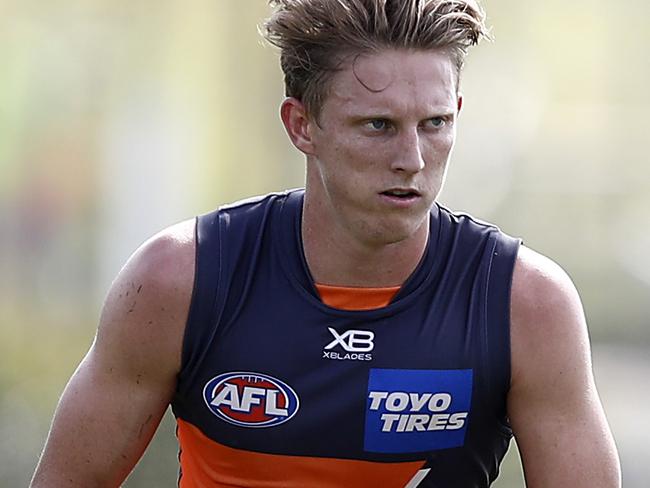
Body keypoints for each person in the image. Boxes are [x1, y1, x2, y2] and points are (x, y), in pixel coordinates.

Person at [31, 1, 621, 487]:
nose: (411, 159)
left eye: (435, 123)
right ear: (301, 125)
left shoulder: (528, 306)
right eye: (378, 125)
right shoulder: (178, 281)